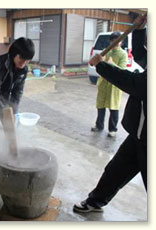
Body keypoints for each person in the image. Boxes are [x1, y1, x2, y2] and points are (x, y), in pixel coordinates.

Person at [73, 14, 147, 213]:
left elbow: (137, 84)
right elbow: (142, 55)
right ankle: (95, 201)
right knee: (115, 171)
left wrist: (101, 65)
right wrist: (139, 30)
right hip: (139, 136)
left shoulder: (121, 56)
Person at [0, 37, 35, 133]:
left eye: (27, 60)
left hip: (2, 95)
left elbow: (17, 92)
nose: (24, 63)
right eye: (22, 58)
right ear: (14, 53)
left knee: (11, 125)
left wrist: (13, 111)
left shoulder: (23, 69)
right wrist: (5, 115)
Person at [91, 31, 127, 137]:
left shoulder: (123, 54)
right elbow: (97, 64)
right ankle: (99, 125)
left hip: (114, 85)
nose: (115, 42)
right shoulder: (106, 51)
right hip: (104, 82)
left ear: (121, 42)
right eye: (113, 40)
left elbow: (123, 70)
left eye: (118, 40)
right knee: (100, 105)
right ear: (110, 41)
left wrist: (112, 64)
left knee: (113, 107)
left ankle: (112, 129)